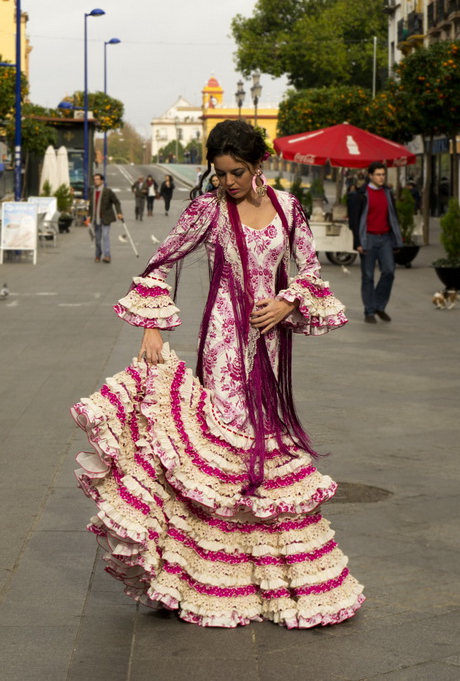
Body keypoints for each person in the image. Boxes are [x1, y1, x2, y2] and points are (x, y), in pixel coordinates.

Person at [72, 120, 364, 628]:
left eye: (237, 172)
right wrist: (153, 328)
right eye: (220, 172)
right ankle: (206, 572)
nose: (227, 181)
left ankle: (259, 571)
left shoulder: (288, 208)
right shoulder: (207, 209)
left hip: (271, 343)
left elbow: (310, 271)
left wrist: (287, 300)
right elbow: (157, 264)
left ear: (260, 166)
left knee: (265, 444)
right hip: (224, 341)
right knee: (228, 440)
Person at [348, 161, 403, 324]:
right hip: (368, 238)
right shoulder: (361, 194)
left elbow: (393, 217)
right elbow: (355, 220)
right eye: (378, 174)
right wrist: (358, 242)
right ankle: (370, 311)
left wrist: (396, 238)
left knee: (389, 271)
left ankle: (379, 305)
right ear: (370, 176)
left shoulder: (387, 193)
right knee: (368, 276)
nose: (381, 177)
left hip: (385, 237)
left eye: (383, 174)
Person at [87, 173, 123, 264]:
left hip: (106, 217)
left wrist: (119, 212)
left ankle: (107, 255)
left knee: (105, 236)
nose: (96, 181)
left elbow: (116, 202)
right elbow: (91, 205)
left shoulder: (108, 191)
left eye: (97, 179)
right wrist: (89, 215)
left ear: (102, 181)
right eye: (94, 179)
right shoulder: (92, 191)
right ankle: (98, 254)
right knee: (97, 238)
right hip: (96, 218)